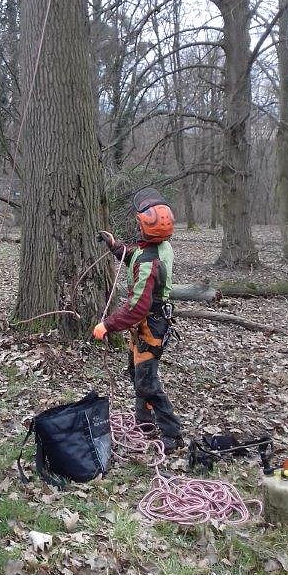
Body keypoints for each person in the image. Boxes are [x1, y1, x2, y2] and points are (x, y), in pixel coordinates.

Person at [93, 188, 183, 454]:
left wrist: (107, 325)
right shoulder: (161, 247)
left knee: (146, 381)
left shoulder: (149, 263)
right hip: (149, 322)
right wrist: (115, 247)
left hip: (150, 324)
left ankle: (171, 432)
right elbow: (136, 253)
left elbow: (136, 308)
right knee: (137, 372)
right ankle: (144, 421)